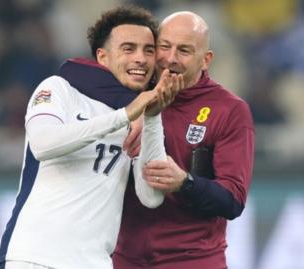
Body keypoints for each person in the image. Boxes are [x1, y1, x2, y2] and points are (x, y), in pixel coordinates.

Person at [0, 6, 183, 269]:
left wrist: (152, 117)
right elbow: (43, 144)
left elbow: (150, 197)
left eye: (148, 50)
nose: (140, 58)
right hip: (33, 257)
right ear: (102, 57)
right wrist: (125, 115)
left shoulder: (145, 117)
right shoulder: (59, 89)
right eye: (128, 49)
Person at [82, 11, 254, 269]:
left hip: (192, 261)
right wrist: (131, 113)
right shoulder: (127, 93)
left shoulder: (229, 110)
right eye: (164, 47)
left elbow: (232, 200)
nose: (171, 59)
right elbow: (72, 73)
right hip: (121, 259)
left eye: (184, 50)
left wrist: (184, 183)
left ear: (205, 60)